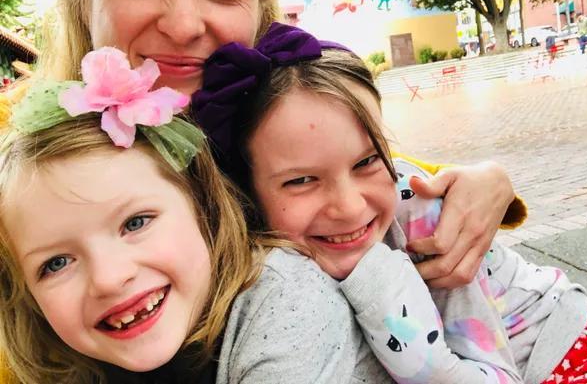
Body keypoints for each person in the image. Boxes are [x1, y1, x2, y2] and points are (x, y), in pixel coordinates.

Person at [34, 0, 526, 290]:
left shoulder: (261, 120)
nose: (183, 25)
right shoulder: (22, 172)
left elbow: (381, 173)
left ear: (259, 5)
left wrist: (482, 183)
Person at [198, 22, 587, 384]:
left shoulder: (423, 216)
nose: (349, 207)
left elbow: (496, 375)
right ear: (246, 190)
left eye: (368, 161)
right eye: (302, 180)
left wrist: (382, 296)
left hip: (575, 354)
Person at [0, 47, 394, 383]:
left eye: (135, 223)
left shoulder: (286, 300)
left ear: (204, 205)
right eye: (56, 263)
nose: (108, 278)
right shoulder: (74, 361)